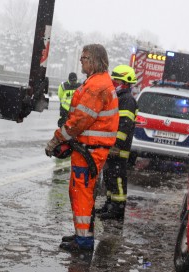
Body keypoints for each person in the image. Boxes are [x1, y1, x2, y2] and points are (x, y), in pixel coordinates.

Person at [44, 44, 119, 253]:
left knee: (82, 194)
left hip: (90, 151)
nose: (81, 61)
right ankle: (81, 234)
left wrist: (56, 140)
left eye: (84, 57)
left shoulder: (96, 87)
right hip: (88, 149)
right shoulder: (97, 82)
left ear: (94, 60)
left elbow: (79, 122)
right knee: (80, 193)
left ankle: (84, 242)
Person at [97, 65, 139, 220]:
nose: (113, 82)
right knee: (109, 177)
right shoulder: (119, 98)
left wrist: (116, 144)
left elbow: (124, 125)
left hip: (118, 149)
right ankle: (109, 205)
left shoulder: (127, 100)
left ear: (126, 82)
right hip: (111, 146)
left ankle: (117, 210)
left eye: (116, 80)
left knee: (118, 179)